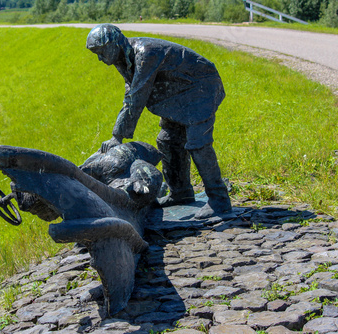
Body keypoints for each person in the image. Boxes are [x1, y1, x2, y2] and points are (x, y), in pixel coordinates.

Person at [86, 23, 231, 219]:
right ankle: (180, 192)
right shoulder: (124, 59)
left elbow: (138, 95)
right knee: (167, 140)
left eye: (101, 52)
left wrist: (117, 137)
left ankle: (219, 200)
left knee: (198, 143)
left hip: (201, 88)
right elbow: (130, 94)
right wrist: (117, 134)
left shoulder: (146, 53)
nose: (100, 58)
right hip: (178, 95)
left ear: (114, 43)